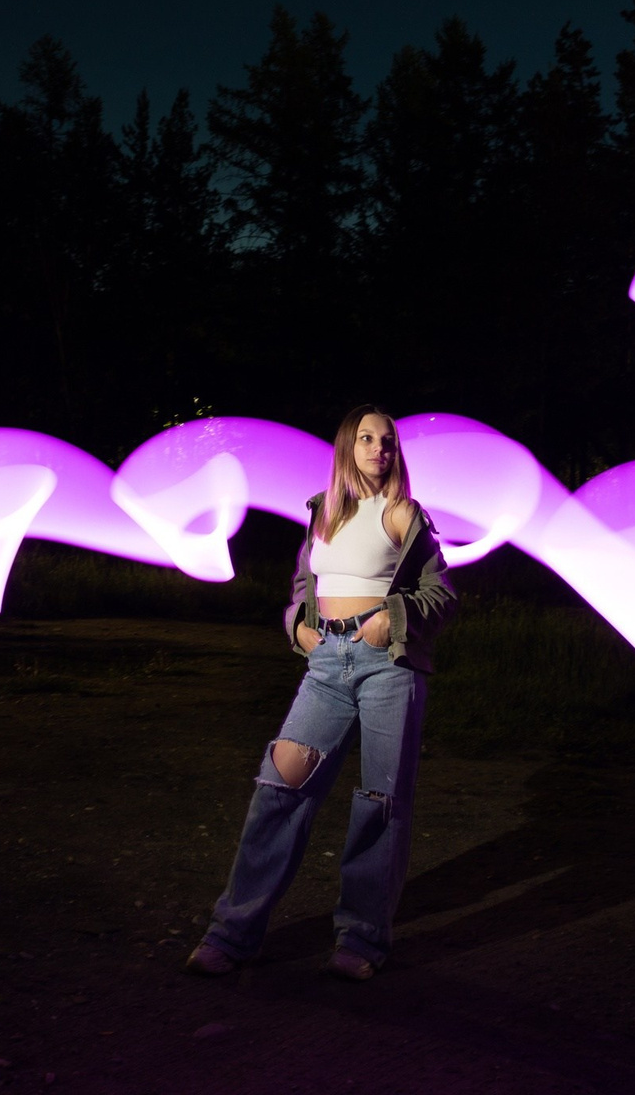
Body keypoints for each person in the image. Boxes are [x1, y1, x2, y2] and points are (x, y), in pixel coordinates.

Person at [185, 404, 457, 981]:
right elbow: (303, 586)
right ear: (347, 447)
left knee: (381, 804)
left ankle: (361, 940)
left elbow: (441, 594)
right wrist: (298, 626)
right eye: (366, 438)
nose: (379, 448)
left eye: (387, 440)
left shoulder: (404, 514)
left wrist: (391, 619)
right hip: (326, 665)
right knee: (279, 788)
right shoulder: (323, 511)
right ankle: (232, 933)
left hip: (388, 665)